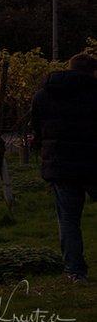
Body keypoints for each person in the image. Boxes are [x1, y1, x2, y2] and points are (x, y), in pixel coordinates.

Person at [31, 52, 97, 281]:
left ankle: (75, 271)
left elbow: (37, 129)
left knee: (68, 220)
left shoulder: (44, 94)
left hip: (61, 165)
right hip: (92, 162)